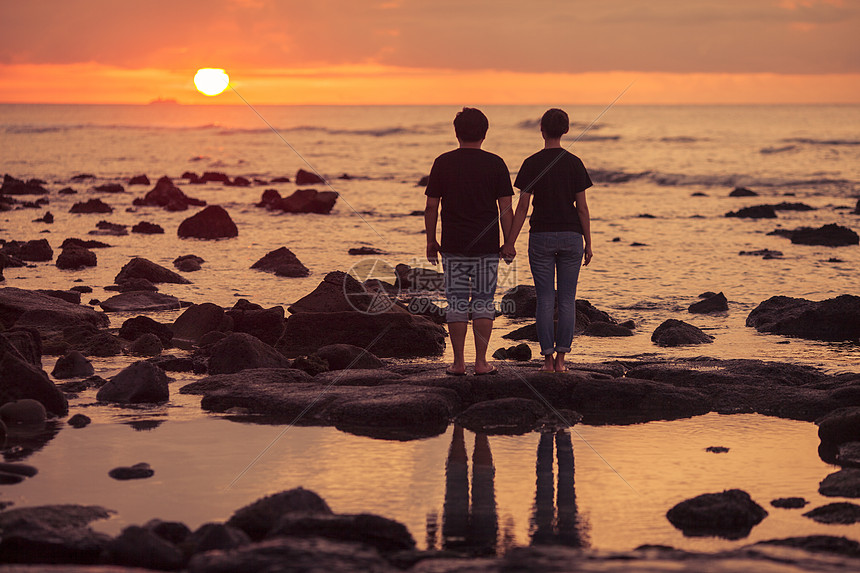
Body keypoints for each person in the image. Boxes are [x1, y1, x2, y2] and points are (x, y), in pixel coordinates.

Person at [501, 108, 593, 373]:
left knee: (544, 300)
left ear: (542, 129)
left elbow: (522, 208)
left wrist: (509, 242)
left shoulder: (531, 163)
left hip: (540, 236)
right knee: (566, 300)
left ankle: (547, 361)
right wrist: (588, 242)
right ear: (566, 130)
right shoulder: (574, 162)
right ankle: (562, 361)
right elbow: (582, 208)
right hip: (571, 236)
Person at [425, 107, 514, 376]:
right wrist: (509, 242)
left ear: (456, 132)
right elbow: (506, 209)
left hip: (453, 244)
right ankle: (482, 363)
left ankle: (458, 363)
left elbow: (431, 207)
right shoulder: (496, 163)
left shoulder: (443, 162)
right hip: (487, 245)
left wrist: (431, 241)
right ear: (485, 134)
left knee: (456, 302)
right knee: (485, 301)